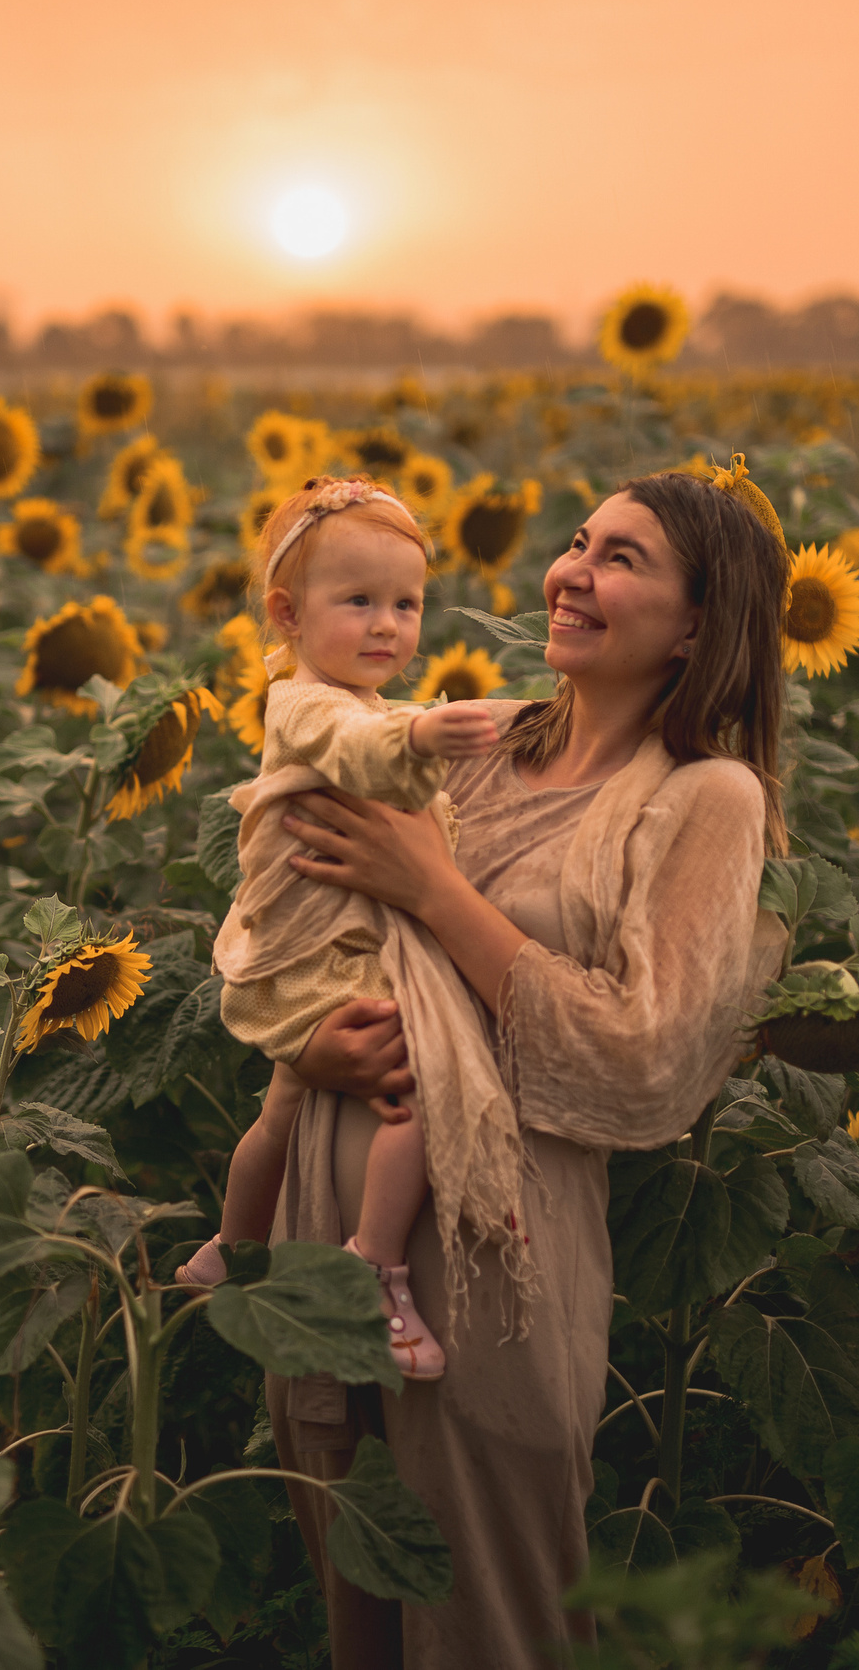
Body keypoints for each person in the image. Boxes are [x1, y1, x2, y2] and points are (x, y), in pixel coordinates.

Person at [262, 468, 793, 1668]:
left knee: (492, 1617)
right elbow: (292, 916)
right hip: (324, 1205)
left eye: (622, 559)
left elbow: (641, 1054)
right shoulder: (466, 746)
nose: (571, 573)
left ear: (697, 624)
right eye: (578, 542)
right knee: (357, 1608)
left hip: (492, 1248)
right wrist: (307, 1043)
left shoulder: (704, 796)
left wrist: (435, 891)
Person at [185, 475, 527, 1384]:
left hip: (314, 949)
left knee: (279, 1114)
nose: (388, 626)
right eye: (360, 602)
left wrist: (422, 734)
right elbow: (358, 747)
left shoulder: (357, 700)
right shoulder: (307, 702)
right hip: (324, 955)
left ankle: (230, 1247)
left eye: (407, 605)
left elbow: (380, 736)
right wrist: (420, 741)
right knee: (420, 1082)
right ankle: (375, 1267)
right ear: (288, 615)